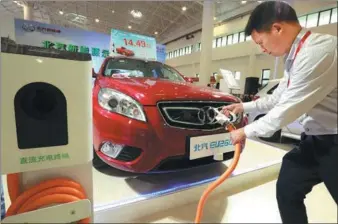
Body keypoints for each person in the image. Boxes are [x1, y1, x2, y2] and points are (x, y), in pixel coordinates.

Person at [222, 1, 337, 223]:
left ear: (277, 28)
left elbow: (286, 110)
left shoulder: (319, 51)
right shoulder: (295, 55)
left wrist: (244, 131)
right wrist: (243, 107)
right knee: (288, 186)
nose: (262, 49)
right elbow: (278, 98)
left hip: (335, 139)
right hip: (316, 139)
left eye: (261, 42)